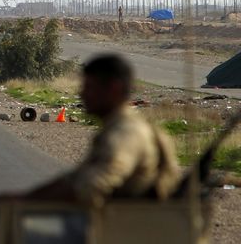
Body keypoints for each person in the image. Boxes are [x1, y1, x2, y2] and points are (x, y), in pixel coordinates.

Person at [23, 54, 178, 207]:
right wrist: (23, 200)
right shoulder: (113, 128)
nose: (82, 94)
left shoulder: (127, 133)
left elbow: (95, 184)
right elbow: (75, 179)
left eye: (89, 87)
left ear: (113, 89)